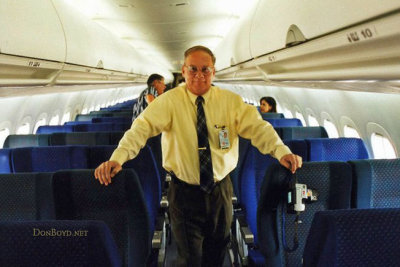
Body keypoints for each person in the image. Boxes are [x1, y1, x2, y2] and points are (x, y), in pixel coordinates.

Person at [94, 45, 302, 266]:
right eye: (193, 69)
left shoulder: (231, 102)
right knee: (189, 257)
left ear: (214, 72)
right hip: (183, 192)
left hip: (221, 190)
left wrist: (281, 152)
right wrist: (118, 158)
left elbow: (259, 129)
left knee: (218, 253)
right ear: (183, 71)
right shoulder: (169, 101)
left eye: (205, 69)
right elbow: (140, 129)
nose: (199, 75)